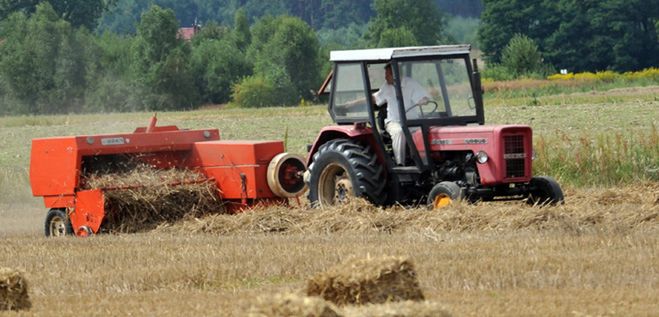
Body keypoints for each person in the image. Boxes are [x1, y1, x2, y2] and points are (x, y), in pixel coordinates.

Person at [373, 63, 431, 165]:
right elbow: (376, 99)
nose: (385, 78)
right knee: (399, 131)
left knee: (425, 132)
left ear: (395, 74)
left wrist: (424, 100)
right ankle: (400, 164)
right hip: (394, 122)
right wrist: (357, 102)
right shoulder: (387, 86)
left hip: (412, 122)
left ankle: (424, 162)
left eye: (387, 74)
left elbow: (423, 97)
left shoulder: (411, 84)